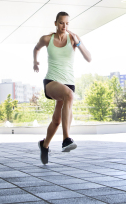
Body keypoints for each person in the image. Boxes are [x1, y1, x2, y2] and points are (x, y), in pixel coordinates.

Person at [33, 11, 91, 165]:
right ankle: (66, 139)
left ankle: (44, 145)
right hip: (51, 81)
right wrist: (35, 62)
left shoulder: (73, 39)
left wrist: (78, 44)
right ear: (55, 23)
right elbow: (36, 48)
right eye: (61, 23)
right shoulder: (47, 39)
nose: (64, 26)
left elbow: (89, 58)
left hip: (68, 83)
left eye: (67, 23)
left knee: (57, 121)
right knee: (69, 95)